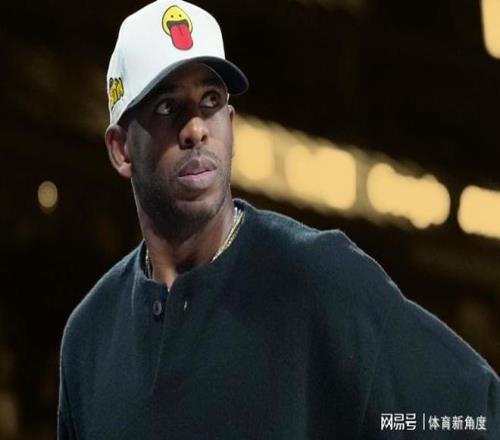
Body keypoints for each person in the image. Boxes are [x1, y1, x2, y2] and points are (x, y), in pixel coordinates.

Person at [58, 1, 500, 438]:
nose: (196, 129)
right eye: (167, 107)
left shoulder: (320, 279)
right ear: (121, 149)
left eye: (211, 101)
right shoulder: (89, 337)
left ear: (231, 126)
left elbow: (478, 414)